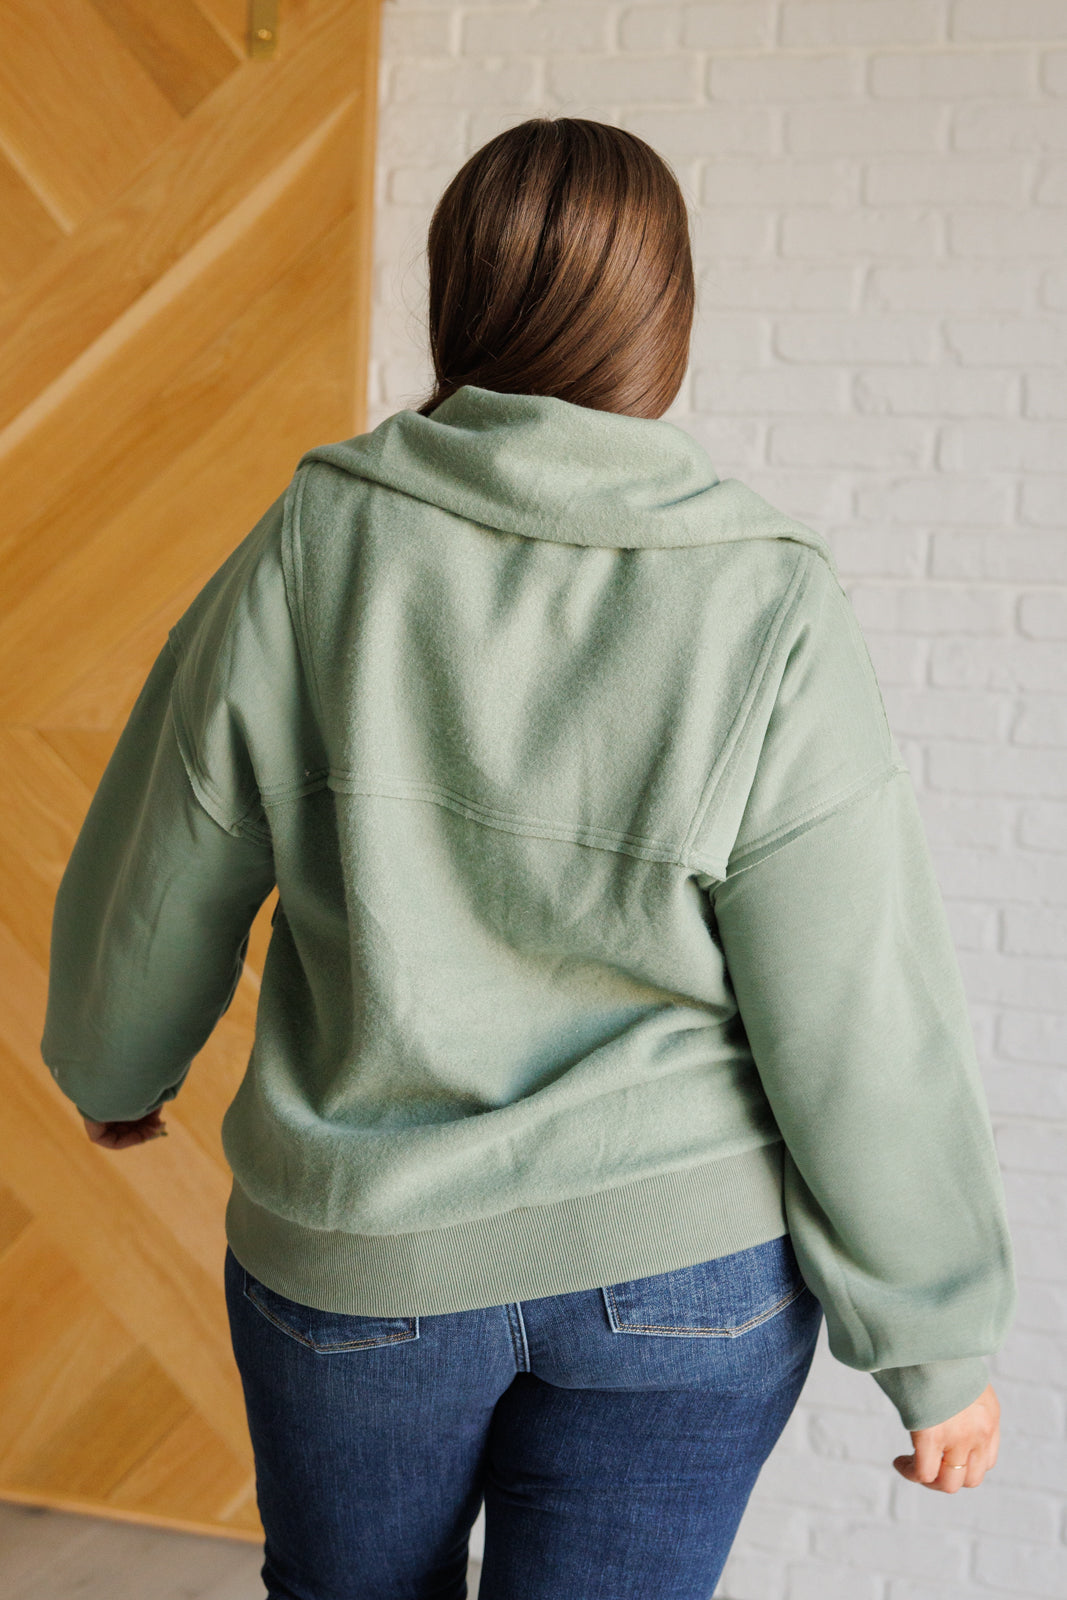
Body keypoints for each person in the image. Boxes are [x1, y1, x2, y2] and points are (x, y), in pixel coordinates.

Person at [42, 117, 1016, 1600]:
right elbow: (853, 1009)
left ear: (458, 300)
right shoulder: (766, 599)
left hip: (364, 1262)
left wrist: (116, 1069)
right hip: (686, 1271)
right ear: (666, 320)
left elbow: (176, 836)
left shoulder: (320, 537)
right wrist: (934, 1345)